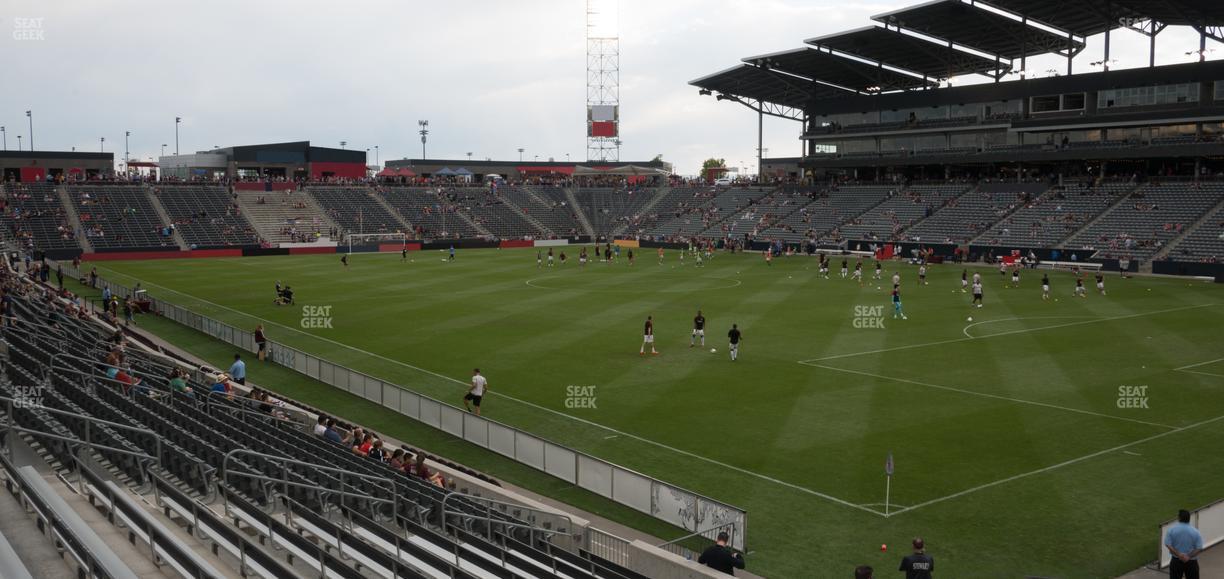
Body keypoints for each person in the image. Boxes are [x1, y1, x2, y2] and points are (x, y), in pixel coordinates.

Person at [1166, 509, 1203, 579]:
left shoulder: (1171, 530)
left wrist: (1179, 555)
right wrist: (1188, 556)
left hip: (1176, 561)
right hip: (1191, 562)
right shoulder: (1195, 532)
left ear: (1179, 518)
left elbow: (1168, 544)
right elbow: (1199, 548)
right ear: (1189, 518)